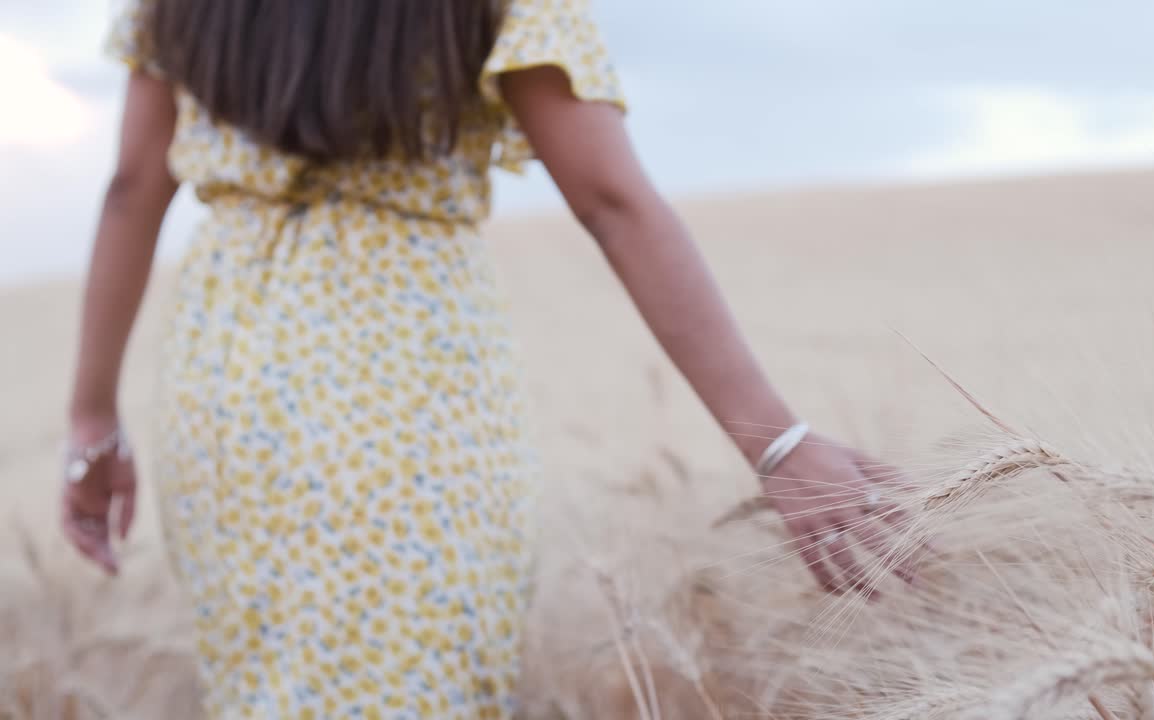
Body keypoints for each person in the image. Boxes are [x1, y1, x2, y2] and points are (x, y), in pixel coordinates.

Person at [61, 0, 908, 717]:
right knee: (432, 679)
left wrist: (92, 420)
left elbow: (133, 188)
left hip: (230, 379)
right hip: (416, 377)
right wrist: (778, 443)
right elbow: (612, 201)